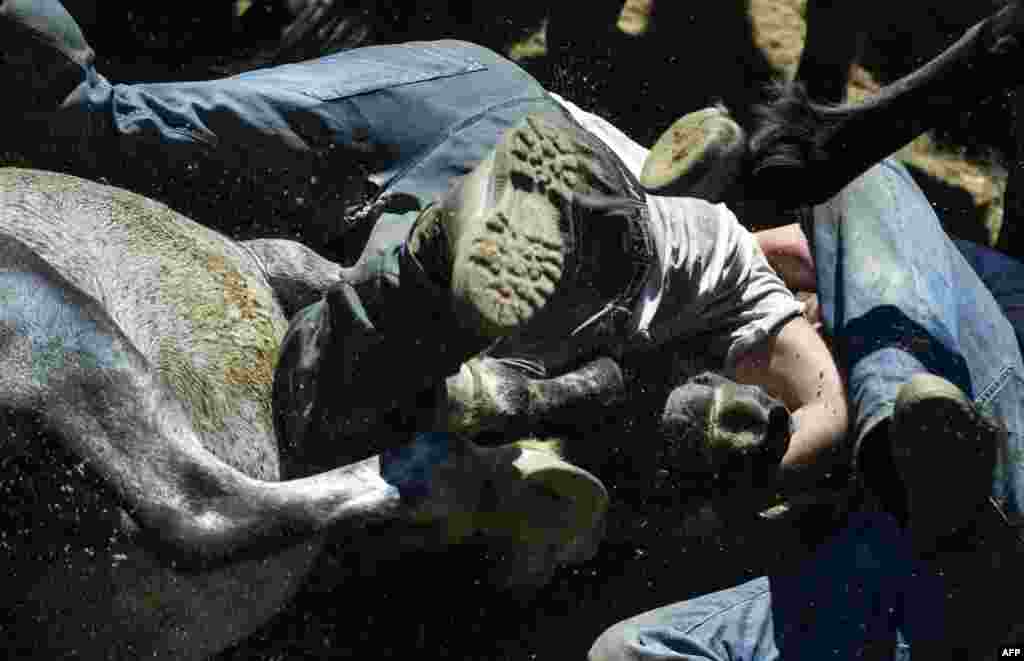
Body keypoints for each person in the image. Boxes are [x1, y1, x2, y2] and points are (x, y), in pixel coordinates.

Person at [1, 0, 850, 501]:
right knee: (324, 391)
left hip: (470, 84)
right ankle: (416, 287)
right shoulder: (742, 275)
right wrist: (757, 467)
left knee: (112, 126)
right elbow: (830, 411)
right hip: (573, 203)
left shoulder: (717, 230)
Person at [588, 2, 1024, 656]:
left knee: (866, 183)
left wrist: (713, 249)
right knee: (624, 652)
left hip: (977, 468)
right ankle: (908, 462)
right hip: (921, 584)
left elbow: (796, 247)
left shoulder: (935, 281)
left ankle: (899, 441)